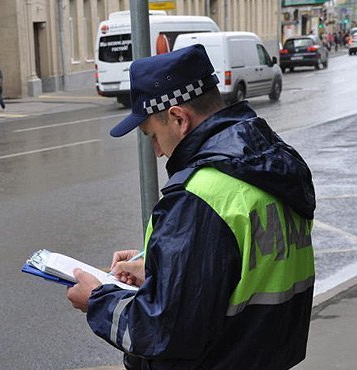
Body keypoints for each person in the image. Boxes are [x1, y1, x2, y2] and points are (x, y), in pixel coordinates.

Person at [66, 44, 316, 370]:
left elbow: (165, 330)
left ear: (178, 118)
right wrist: (159, 267)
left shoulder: (198, 196)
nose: (156, 151)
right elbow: (240, 269)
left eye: (151, 135)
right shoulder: (272, 165)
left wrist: (97, 300)